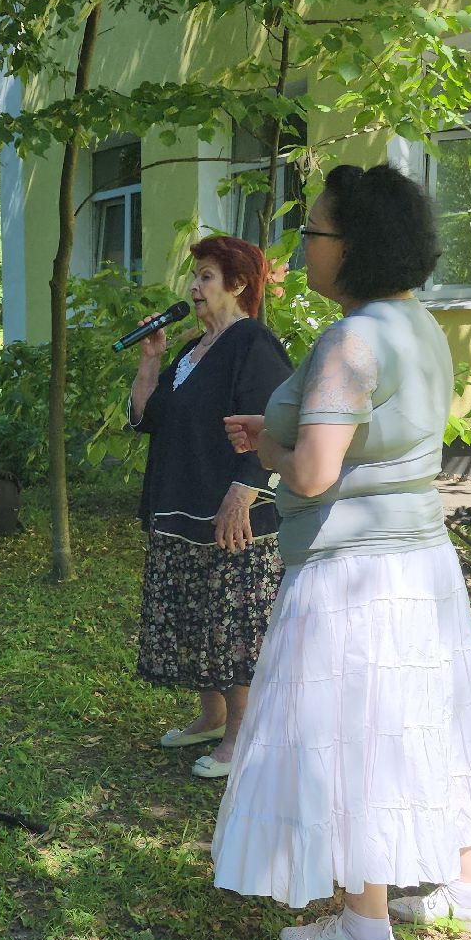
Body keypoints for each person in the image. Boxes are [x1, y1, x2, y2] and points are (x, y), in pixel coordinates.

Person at [214, 165, 471, 940]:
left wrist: (268, 449)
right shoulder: (417, 325)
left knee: (356, 730)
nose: (303, 246)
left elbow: (312, 473)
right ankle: (468, 885)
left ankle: (363, 920)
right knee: (423, 716)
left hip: (355, 570)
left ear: (355, 246)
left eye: (313, 232)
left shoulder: (351, 340)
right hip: (419, 558)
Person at [129, 234, 292, 780]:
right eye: (194, 276)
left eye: (205, 277)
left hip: (230, 513)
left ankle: (241, 736)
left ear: (239, 284)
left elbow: (276, 426)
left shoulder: (253, 344)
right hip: (182, 505)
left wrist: (245, 491)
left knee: (231, 626)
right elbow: (151, 420)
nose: (194, 287)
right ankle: (210, 716)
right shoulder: (188, 351)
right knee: (197, 620)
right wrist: (150, 362)